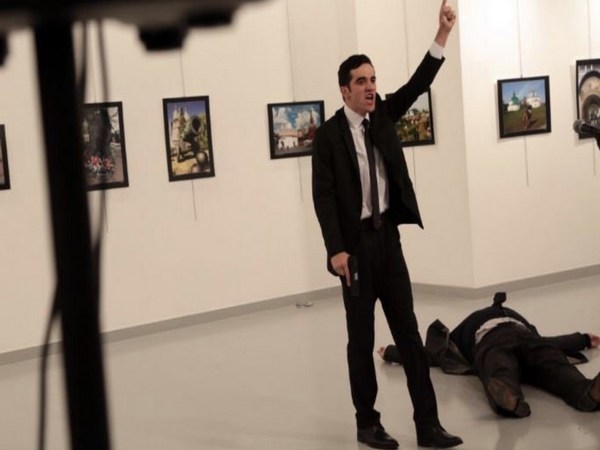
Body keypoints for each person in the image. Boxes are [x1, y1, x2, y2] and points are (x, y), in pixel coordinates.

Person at [311, 1, 462, 448]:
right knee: (360, 342)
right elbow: (323, 197)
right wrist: (335, 250)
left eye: (374, 79)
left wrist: (442, 35)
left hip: (387, 242)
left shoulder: (383, 117)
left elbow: (419, 84)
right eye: (362, 81)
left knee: (410, 336)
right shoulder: (329, 137)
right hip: (354, 250)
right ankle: (368, 423)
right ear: (344, 91)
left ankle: (428, 425)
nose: (371, 87)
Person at [379, 292, 600, 418]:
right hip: (493, 338)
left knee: (550, 360)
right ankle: (510, 399)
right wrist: (393, 352)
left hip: (520, 338)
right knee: (504, 364)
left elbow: (552, 342)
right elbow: (430, 354)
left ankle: (586, 393)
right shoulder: (469, 328)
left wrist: (583, 339)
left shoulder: (490, 320)